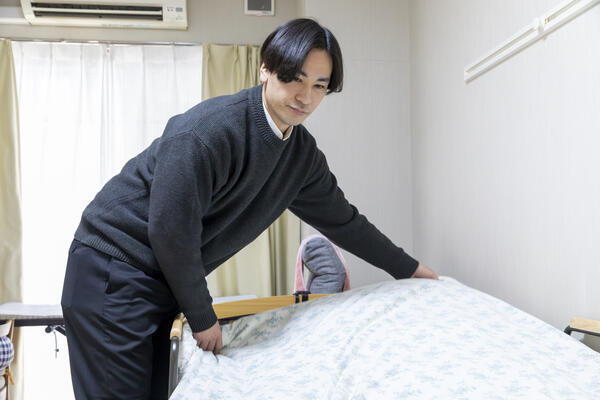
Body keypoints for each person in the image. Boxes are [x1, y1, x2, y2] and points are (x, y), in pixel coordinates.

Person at [61, 18, 438, 400]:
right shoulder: (208, 131)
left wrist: (411, 270)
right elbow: (170, 230)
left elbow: (346, 223)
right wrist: (203, 316)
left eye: (319, 86)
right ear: (265, 69)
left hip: (164, 282)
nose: (305, 96)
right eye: (294, 78)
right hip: (113, 269)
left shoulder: (300, 157)